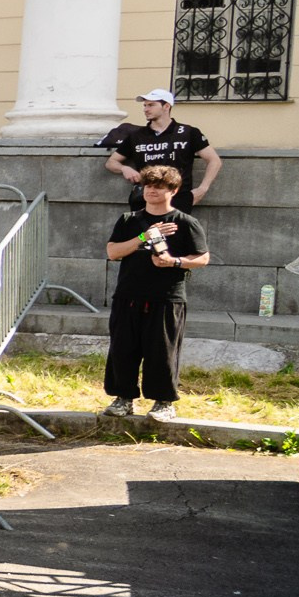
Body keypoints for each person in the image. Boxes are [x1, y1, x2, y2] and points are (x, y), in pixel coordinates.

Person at [103, 165, 210, 417]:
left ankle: (163, 403)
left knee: (162, 352)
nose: (151, 190)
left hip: (166, 298)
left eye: (158, 187)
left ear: (173, 190)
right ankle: (123, 399)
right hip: (128, 295)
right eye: (148, 185)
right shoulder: (129, 220)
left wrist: (173, 261)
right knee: (122, 349)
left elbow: (203, 258)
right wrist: (144, 236)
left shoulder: (186, 223)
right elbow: (112, 252)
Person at [99, 88, 220, 211]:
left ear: (166, 106)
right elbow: (111, 162)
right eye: (145, 105)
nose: (146, 109)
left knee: (171, 230)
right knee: (142, 231)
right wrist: (124, 168)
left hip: (177, 199)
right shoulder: (136, 136)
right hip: (145, 199)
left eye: (151, 105)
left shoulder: (188, 132)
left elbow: (214, 160)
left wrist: (202, 189)